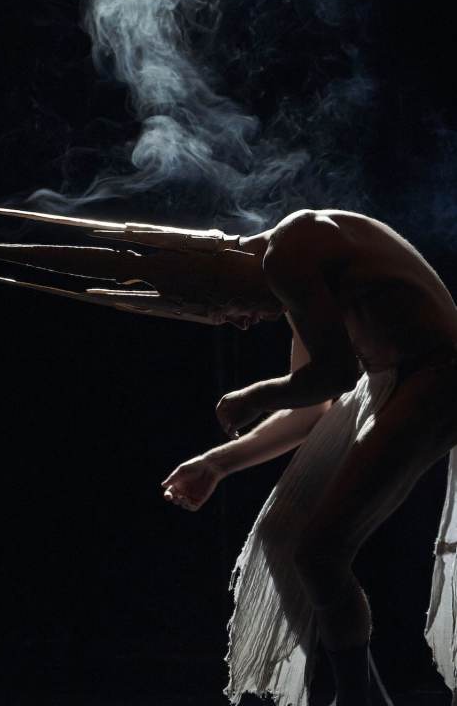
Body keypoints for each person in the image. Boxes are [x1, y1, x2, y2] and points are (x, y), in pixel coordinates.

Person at [161, 208, 457, 706]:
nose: (241, 324)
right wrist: (217, 463)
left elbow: (334, 376)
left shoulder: (290, 250)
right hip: (396, 378)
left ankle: (357, 700)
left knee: (321, 550)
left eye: (225, 310)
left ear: (223, 271)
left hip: (437, 373)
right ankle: (363, 698)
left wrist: (253, 396)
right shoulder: (292, 272)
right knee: (285, 535)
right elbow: (310, 410)